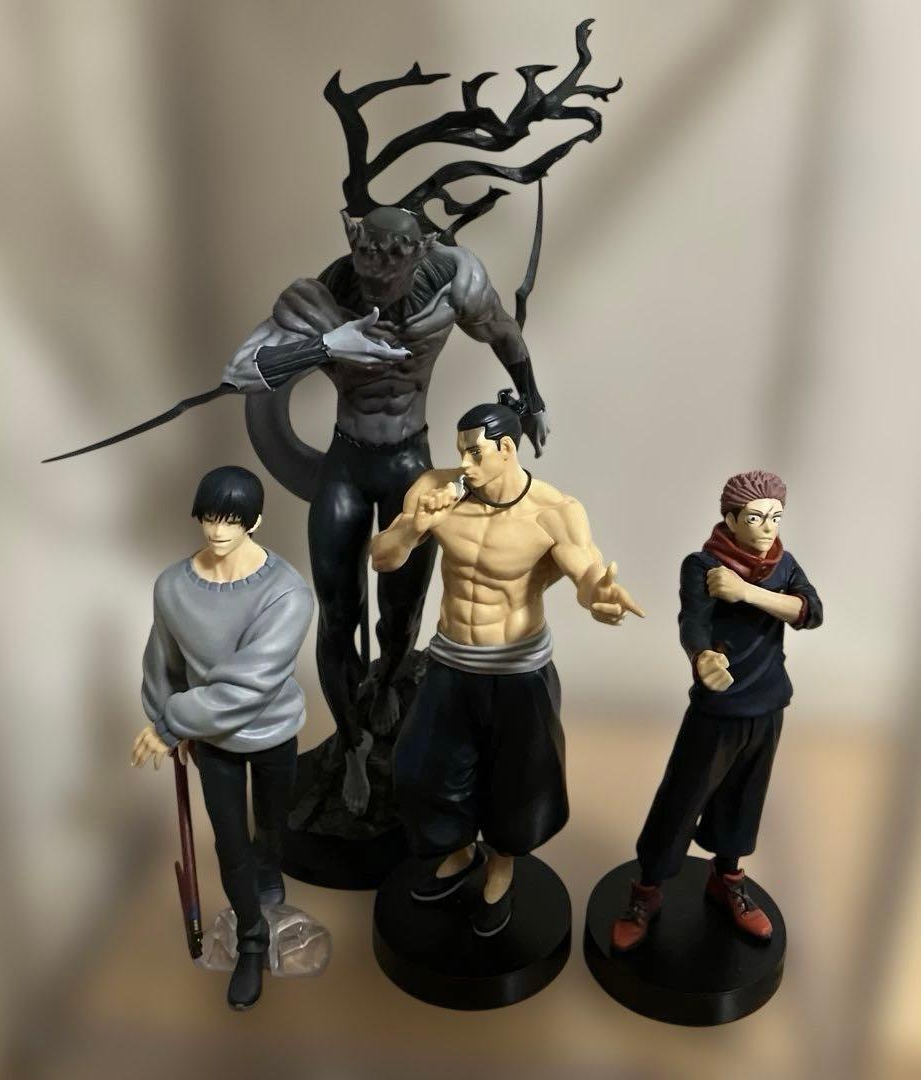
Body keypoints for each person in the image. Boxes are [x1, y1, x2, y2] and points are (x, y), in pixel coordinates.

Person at [222, 206, 549, 816]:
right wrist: (327, 344)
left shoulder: (454, 284)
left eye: (391, 270)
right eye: (366, 265)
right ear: (352, 245)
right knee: (337, 613)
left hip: (408, 461)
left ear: (420, 253)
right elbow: (239, 372)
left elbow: (503, 331)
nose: (377, 284)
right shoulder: (319, 300)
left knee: (401, 612)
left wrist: (530, 399)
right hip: (347, 463)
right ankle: (351, 744)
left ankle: (390, 679)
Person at [371, 397, 644, 936]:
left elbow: (586, 572)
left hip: (518, 670)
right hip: (451, 660)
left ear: (506, 448)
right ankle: (458, 852)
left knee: (519, 783)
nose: (464, 464)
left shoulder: (552, 511)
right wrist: (413, 526)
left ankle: (500, 866)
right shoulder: (436, 489)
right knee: (422, 769)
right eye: (460, 452)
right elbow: (383, 557)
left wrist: (601, 596)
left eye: (474, 453)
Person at [611, 470, 823, 952]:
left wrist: (747, 592)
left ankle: (727, 878)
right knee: (681, 799)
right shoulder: (702, 565)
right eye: (756, 518)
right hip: (718, 706)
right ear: (730, 519)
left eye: (775, 517)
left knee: (745, 799)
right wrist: (701, 656)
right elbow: (693, 621)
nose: (768, 528)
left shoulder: (784, 565)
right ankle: (647, 888)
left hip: (767, 703)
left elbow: (811, 612)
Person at [131, 466, 314, 1009]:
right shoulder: (172, 586)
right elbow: (162, 663)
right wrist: (166, 717)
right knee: (230, 843)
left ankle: (270, 870)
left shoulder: (287, 592)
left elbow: (249, 684)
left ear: (255, 521)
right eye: (209, 517)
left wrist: (173, 723)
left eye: (232, 520)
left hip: (273, 730)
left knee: (272, 824)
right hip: (211, 742)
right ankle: (252, 940)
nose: (217, 530)